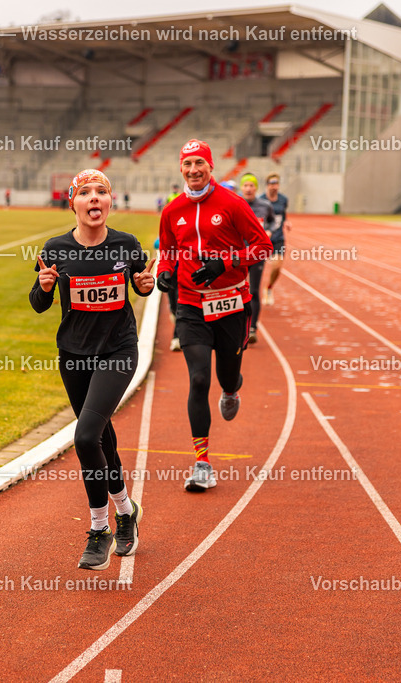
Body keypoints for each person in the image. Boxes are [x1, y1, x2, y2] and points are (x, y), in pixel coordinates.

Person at [30, 169, 154, 570]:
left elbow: (142, 286)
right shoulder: (56, 248)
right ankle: (126, 511)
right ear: (74, 203)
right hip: (74, 356)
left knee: (85, 437)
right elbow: (37, 302)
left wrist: (148, 284)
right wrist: (45, 286)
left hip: (117, 352)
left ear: (110, 201)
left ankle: (99, 528)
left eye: (102, 191)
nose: (94, 198)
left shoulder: (127, 244)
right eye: (85, 192)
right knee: (103, 440)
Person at [157, 141, 271, 492]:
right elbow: (168, 248)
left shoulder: (233, 204)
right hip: (191, 306)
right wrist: (165, 270)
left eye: (199, 164)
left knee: (226, 376)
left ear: (210, 167)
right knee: (199, 379)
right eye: (187, 164)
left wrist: (226, 262)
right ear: (181, 168)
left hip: (232, 304)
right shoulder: (172, 210)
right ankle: (202, 463)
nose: (193, 171)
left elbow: (264, 246)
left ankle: (233, 389)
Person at [238, 173, 275, 344]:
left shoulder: (264, 206)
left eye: (251, 185)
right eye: (245, 185)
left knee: (253, 291)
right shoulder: (235, 204)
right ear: (242, 188)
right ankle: (237, 326)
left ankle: (252, 328)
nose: (248, 188)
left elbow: (273, 222)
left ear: (255, 188)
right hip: (237, 255)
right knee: (236, 290)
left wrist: (268, 231)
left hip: (256, 255)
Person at [262, 172, 290, 305]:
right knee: (253, 269)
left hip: (278, 237)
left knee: (277, 266)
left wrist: (287, 222)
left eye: (276, 184)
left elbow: (283, 215)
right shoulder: (261, 200)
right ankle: (253, 291)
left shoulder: (283, 199)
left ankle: (269, 288)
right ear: (267, 185)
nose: (274, 186)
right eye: (272, 184)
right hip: (263, 238)